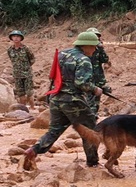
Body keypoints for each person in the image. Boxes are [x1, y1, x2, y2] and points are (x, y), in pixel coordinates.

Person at [22, 32, 103, 169]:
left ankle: (33, 150)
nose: (95, 50)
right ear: (86, 45)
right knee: (90, 130)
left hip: (56, 98)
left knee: (54, 130)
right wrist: (96, 90)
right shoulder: (84, 60)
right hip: (73, 101)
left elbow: (53, 75)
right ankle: (93, 162)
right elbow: (81, 83)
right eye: (94, 47)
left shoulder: (62, 55)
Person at [84, 27, 112, 116]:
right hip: (87, 80)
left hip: (98, 79)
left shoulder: (98, 49)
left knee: (95, 103)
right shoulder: (83, 50)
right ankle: (89, 121)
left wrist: (101, 49)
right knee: (89, 102)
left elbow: (105, 59)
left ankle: (92, 119)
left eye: (97, 37)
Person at [6, 30, 36, 109]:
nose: (16, 38)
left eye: (18, 36)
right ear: (11, 38)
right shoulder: (10, 50)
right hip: (17, 74)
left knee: (29, 92)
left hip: (27, 74)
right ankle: (23, 109)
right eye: (14, 36)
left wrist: (27, 67)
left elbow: (32, 59)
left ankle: (33, 108)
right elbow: (12, 60)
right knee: (20, 93)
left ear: (21, 38)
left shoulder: (26, 48)